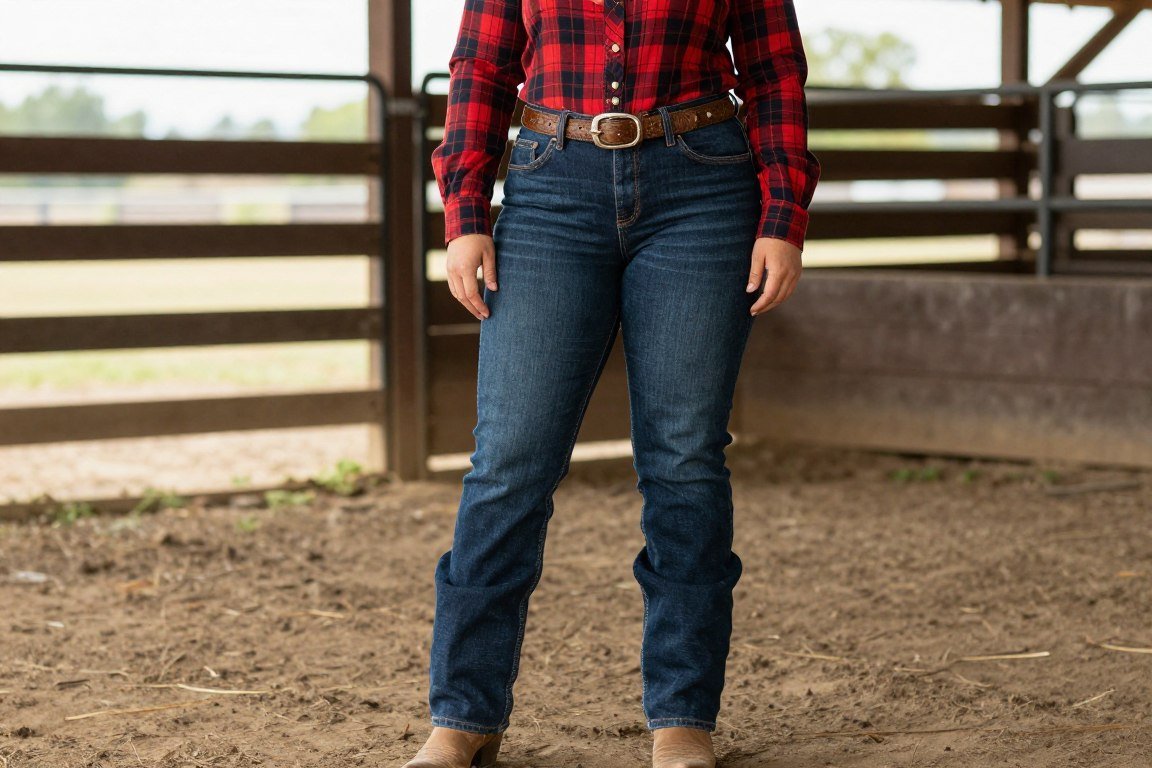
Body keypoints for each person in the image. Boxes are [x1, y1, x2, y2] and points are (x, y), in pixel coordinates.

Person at [405, 0, 820, 766]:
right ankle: (463, 716)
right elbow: (482, 67)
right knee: (509, 461)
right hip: (549, 184)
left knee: (685, 458)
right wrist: (465, 211)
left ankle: (682, 717)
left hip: (702, 186)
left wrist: (783, 213)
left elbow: (773, 72)